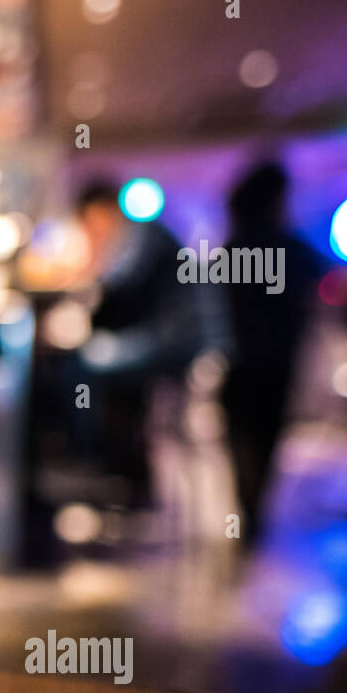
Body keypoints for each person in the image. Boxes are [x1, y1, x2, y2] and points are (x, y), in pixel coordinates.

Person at [73, 179, 216, 509]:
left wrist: (90, 269)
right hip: (172, 338)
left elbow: (117, 282)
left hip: (174, 342)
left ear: (101, 211)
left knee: (84, 364)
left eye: (90, 223)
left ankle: (93, 465)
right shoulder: (144, 235)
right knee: (95, 362)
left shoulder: (142, 234)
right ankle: (122, 473)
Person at [218, 163, 322, 545]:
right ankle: (254, 512)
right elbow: (317, 287)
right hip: (276, 361)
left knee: (241, 438)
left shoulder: (231, 249)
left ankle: (249, 511)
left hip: (239, 362)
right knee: (264, 438)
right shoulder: (291, 247)